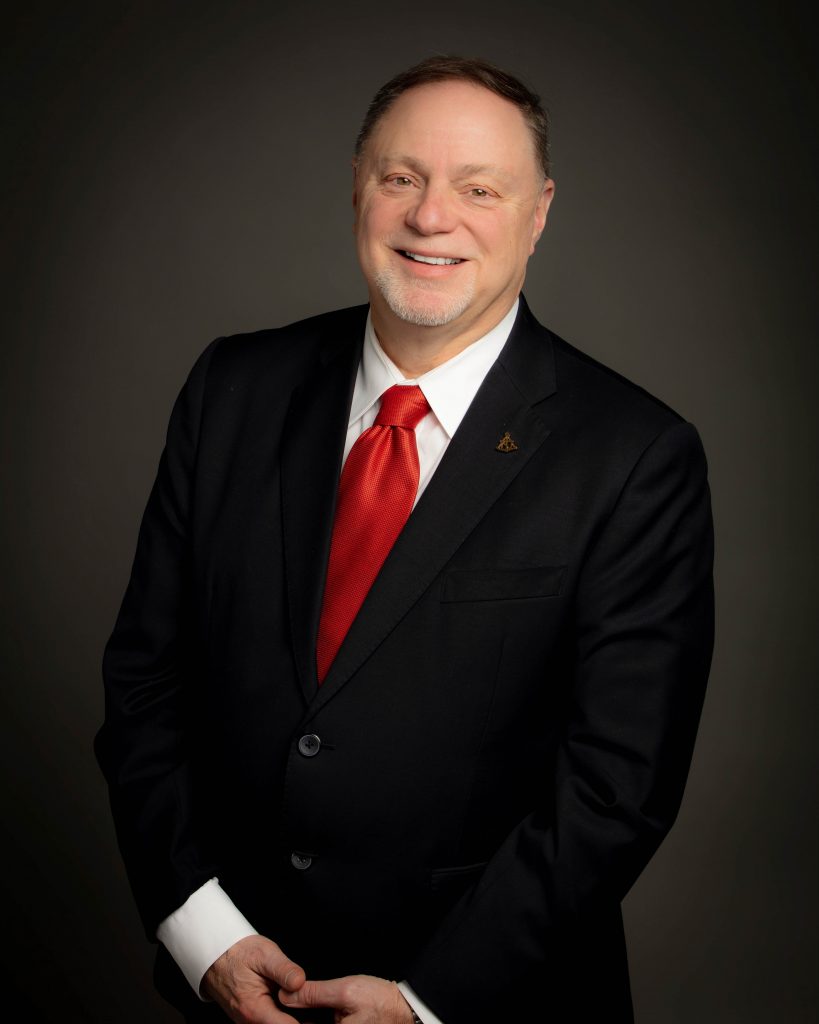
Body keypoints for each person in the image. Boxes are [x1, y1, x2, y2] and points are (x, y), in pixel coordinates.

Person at [95, 55, 714, 1024]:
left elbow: (615, 787)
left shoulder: (636, 455)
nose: (433, 217)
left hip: (487, 1001)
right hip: (234, 989)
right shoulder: (233, 390)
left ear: (538, 211)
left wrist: (428, 1001)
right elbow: (144, 679)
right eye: (402, 177)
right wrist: (203, 932)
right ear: (358, 186)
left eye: (480, 188)